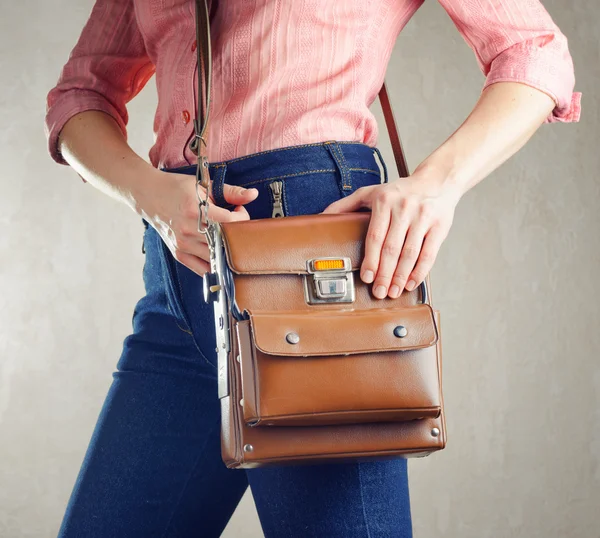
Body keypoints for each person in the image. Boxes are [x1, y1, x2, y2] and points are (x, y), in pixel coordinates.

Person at [44, 0, 580, 536]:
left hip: (315, 271)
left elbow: (534, 50)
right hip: (181, 274)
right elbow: (81, 96)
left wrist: (436, 185)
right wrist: (150, 194)